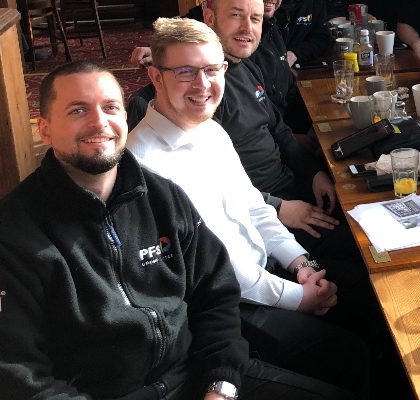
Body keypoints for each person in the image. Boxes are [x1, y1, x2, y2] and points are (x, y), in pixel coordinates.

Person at [0, 60, 348, 399]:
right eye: (78, 110)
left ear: (124, 117)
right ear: (44, 129)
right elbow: (18, 371)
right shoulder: (15, 230)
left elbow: (215, 294)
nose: (99, 122)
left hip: (195, 377)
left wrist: (221, 384)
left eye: (110, 107)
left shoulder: (161, 195)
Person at [126, 17, 371, 398]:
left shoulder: (210, 129)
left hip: (266, 272)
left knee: (370, 294)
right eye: (186, 72)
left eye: (212, 70)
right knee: (353, 355)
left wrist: (301, 263)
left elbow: (255, 207)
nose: (203, 84)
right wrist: (298, 297)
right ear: (156, 76)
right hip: (227, 309)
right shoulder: (145, 166)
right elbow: (215, 269)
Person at [204, 0, 350, 259]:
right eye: (236, 15)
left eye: (255, 19)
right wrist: (278, 207)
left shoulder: (245, 67)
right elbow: (205, 182)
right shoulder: (202, 90)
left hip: (290, 185)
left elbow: (279, 131)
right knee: (358, 254)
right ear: (210, 18)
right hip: (260, 213)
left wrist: (314, 173)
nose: (247, 28)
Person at [128, 0, 309, 134]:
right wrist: (163, 51)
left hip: (282, 124)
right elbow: (188, 25)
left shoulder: (272, 25)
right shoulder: (214, 69)